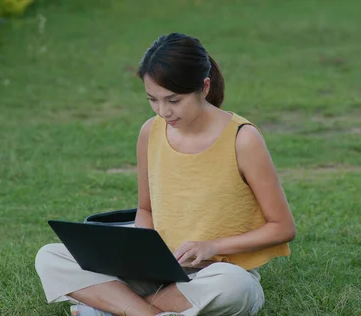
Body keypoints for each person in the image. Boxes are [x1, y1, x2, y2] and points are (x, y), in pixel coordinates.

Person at [35, 33, 296, 316]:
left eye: (174, 100)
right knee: (50, 256)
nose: (163, 111)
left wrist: (211, 246)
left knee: (235, 287)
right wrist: (143, 257)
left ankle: (111, 308)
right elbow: (145, 208)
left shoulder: (242, 139)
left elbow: (282, 227)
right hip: (156, 274)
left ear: (204, 87)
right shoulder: (150, 132)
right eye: (153, 99)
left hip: (214, 274)